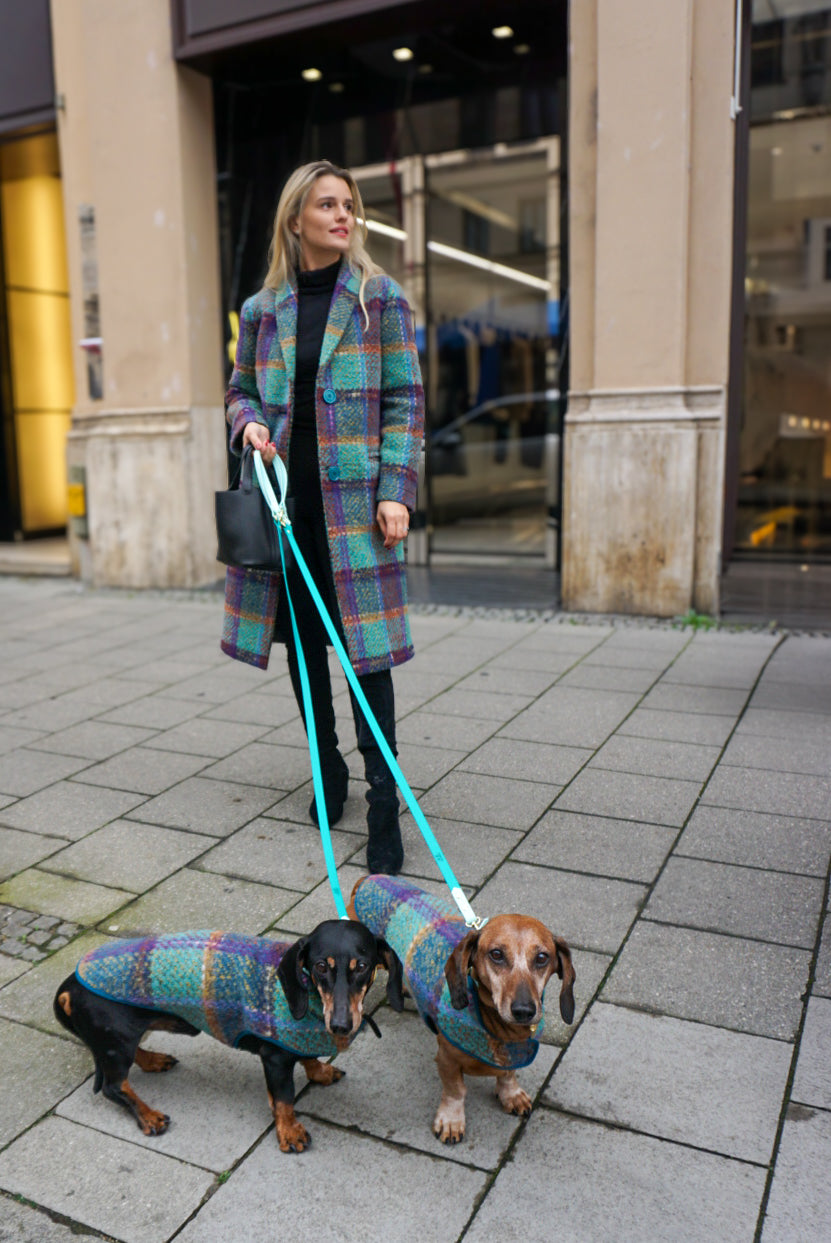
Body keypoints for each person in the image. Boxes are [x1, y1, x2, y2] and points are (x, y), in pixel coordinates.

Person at [221, 160, 424, 876]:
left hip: (354, 513)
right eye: (327, 205)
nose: (343, 215)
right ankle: (327, 769)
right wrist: (247, 424)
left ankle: (381, 799)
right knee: (305, 651)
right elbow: (239, 389)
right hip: (287, 509)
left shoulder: (378, 298)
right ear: (295, 219)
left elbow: (404, 399)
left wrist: (395, 488)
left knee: (366, 658)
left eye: (349, 205)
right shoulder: (260, 310)